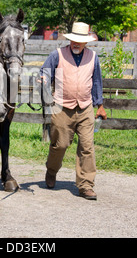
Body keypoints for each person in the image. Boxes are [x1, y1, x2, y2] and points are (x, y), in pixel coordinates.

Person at [39, 22, 107, 200]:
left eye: (80, 41)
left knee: (87, 147)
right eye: (73, 40)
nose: (76, 44)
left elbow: (97, 82)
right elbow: (45, 72)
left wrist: (100, 105)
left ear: (86, 42)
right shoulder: (58, 54)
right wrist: (44, 79)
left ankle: (86, 185)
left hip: (85, 108)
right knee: (59, 145)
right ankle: (51, 171)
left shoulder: (93, 57)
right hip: (62, 107)